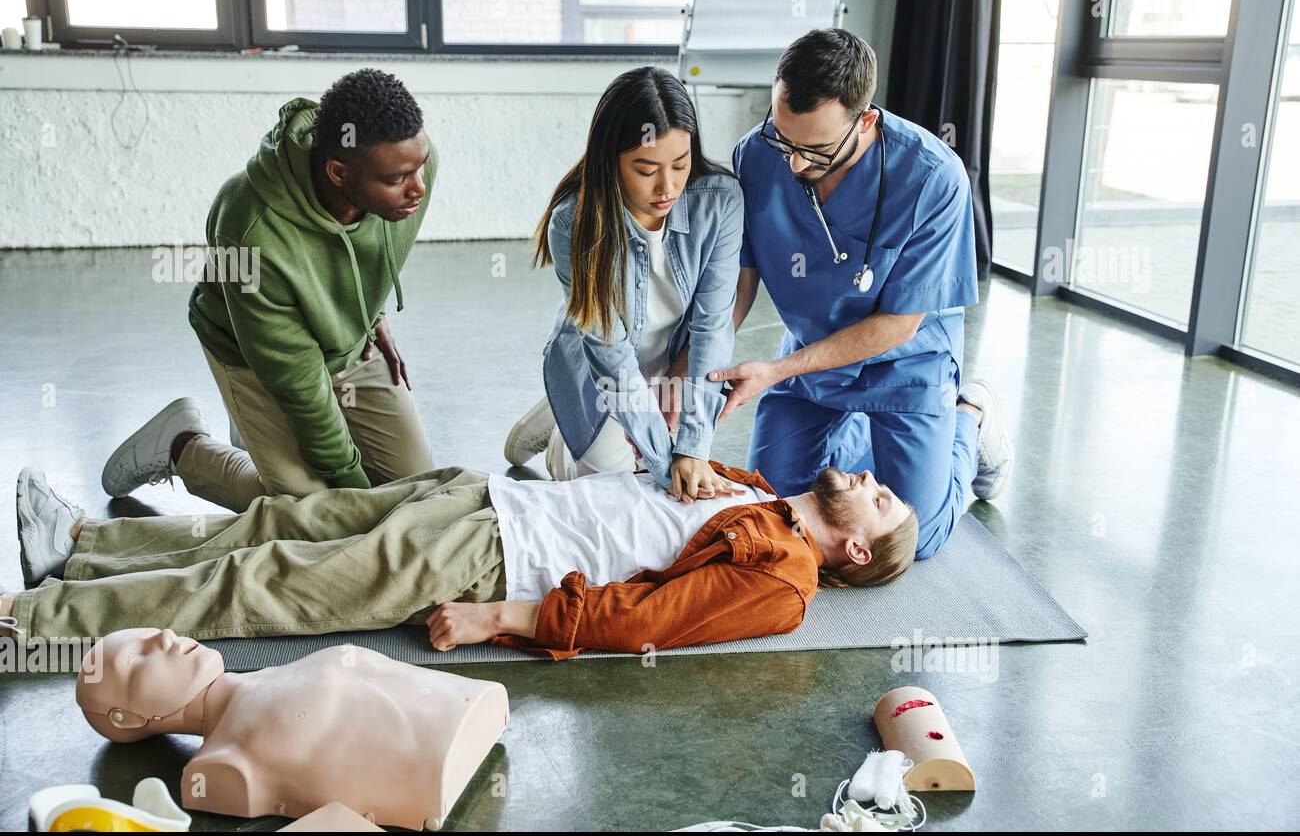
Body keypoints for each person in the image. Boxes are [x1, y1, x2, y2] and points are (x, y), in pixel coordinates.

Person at [4, 456, 919, 661]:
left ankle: (32, 621)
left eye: (881, 501)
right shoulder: (757, 489)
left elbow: (649, 622)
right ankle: (83, 547)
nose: (871, 480)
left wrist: (503, 618)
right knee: (276, 521)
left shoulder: (786, 582)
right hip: (484, 495)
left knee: (265, 581)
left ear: (854, 548)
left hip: (493, 555)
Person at [712, 29, 1015, 560]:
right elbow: (740, 280)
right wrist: (697, 366)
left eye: (816, 150)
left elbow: (898, 324)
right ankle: (855, 429)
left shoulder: (934, 178)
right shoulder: (757, 155)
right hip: (812, 356)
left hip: (906, 364)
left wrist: (776, 372)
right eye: (783, 138)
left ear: (866, 121)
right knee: (778, 508)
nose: (794, 164)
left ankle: (969, 416)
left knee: (912, 537)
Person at [99, 68, 438, 514]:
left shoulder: (410, 165)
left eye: (420, 165)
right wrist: (351, 500)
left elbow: (357, 254)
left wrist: (372, 316)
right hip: (253, 352)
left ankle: (276, 454)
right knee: (313, 512)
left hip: (347, 341)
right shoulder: (249, 229)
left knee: (419, 494)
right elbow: (300, 382)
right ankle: (181, 446)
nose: (418, 187)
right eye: (397, 179)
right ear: (339, 172)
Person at [501, 66, 743, 503]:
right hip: (599, 370)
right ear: (610, 159)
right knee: (608, 490)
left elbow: (712, 328)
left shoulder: (721, 201)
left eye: (681, 164)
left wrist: (692, 448)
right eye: (646, 169)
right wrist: (665, 461)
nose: (667, 187)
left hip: (664, 369)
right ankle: (563, 417)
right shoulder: (572, 223)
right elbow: (611, 356)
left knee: (666, 473)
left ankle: (568, 410)